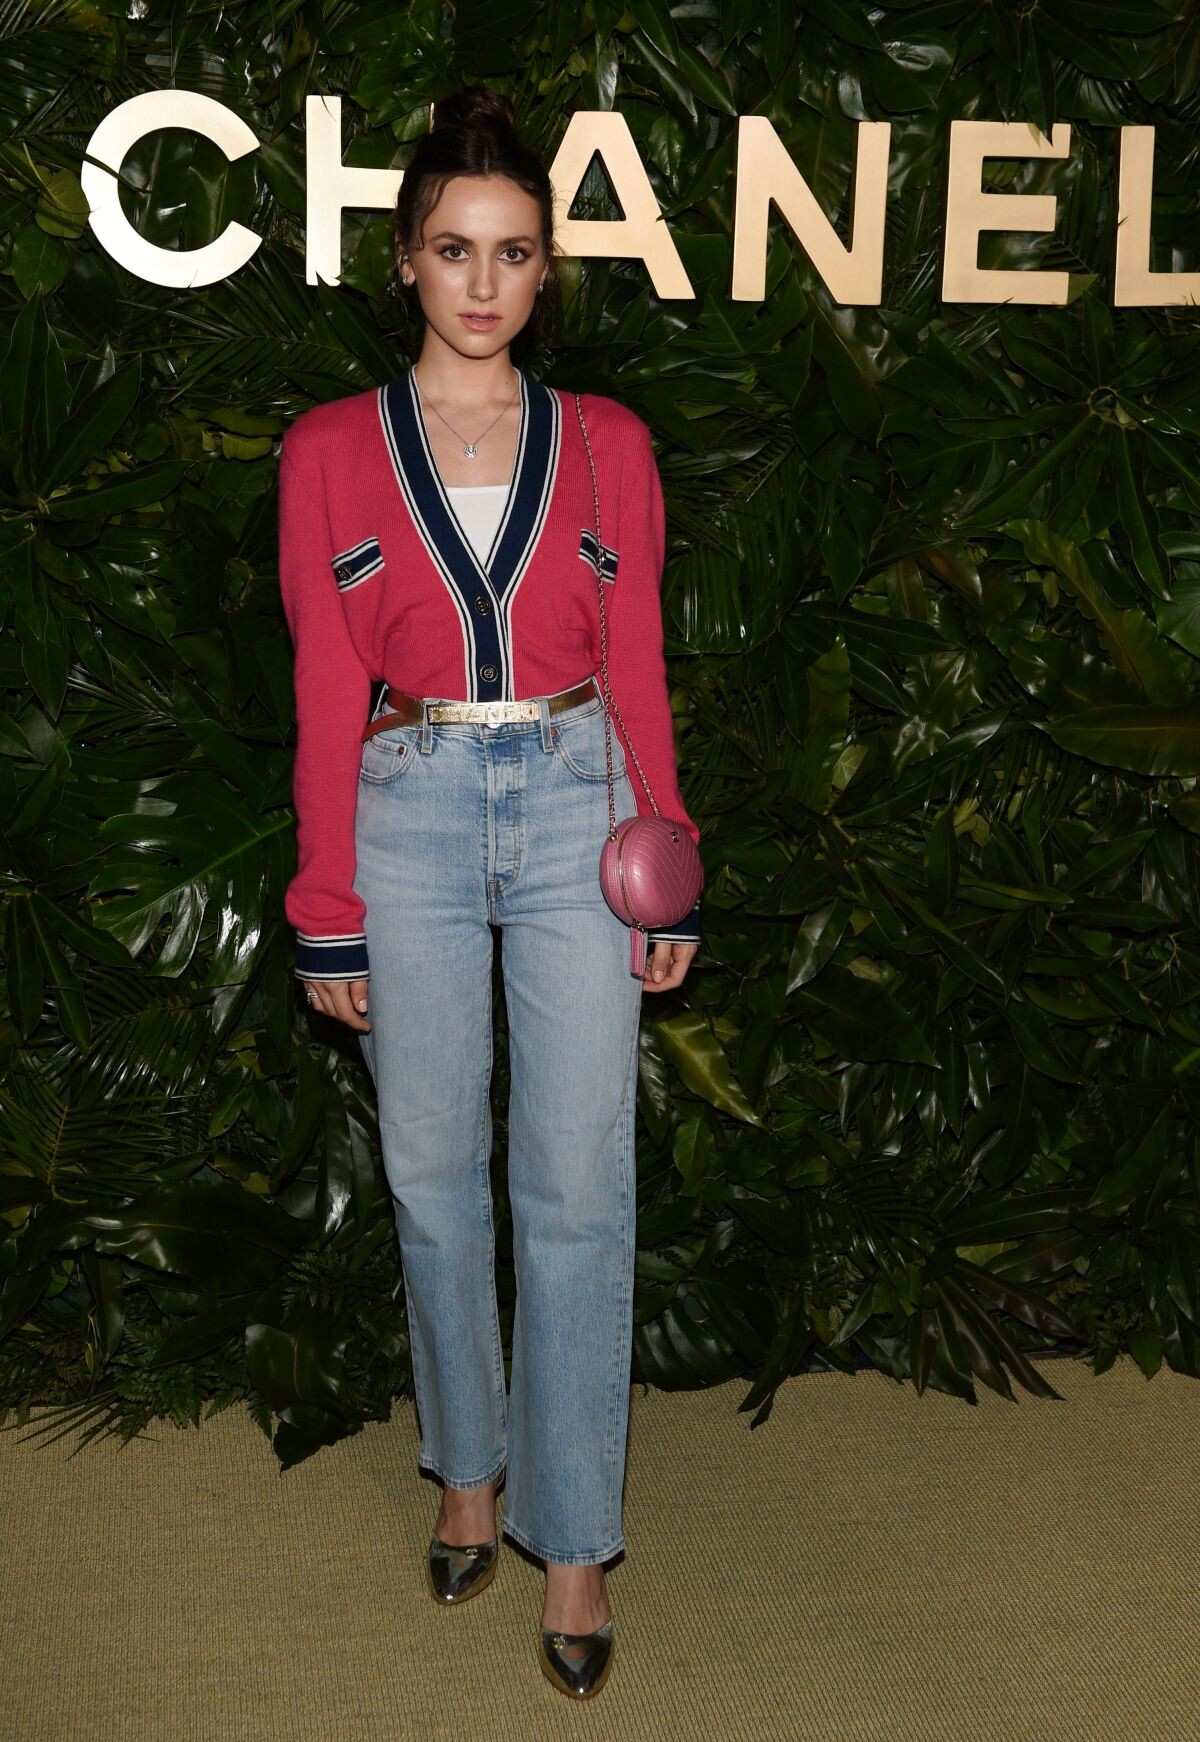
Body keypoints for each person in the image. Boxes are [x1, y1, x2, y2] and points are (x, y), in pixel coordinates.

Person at [277, 84, 702, 1701]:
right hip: (408, 808)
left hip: (584, 792)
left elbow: (641, 663)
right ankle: (467, 1462)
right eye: (453, 248)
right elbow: (326, 684)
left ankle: (573, 1535)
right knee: (432, 1166)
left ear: (545, 271)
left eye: (513, 252)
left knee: (579, 1179)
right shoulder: (330, 450)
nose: (482, 281)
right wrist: (326, 898)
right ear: (405, 258)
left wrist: (666, 853)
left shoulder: (611, 445)